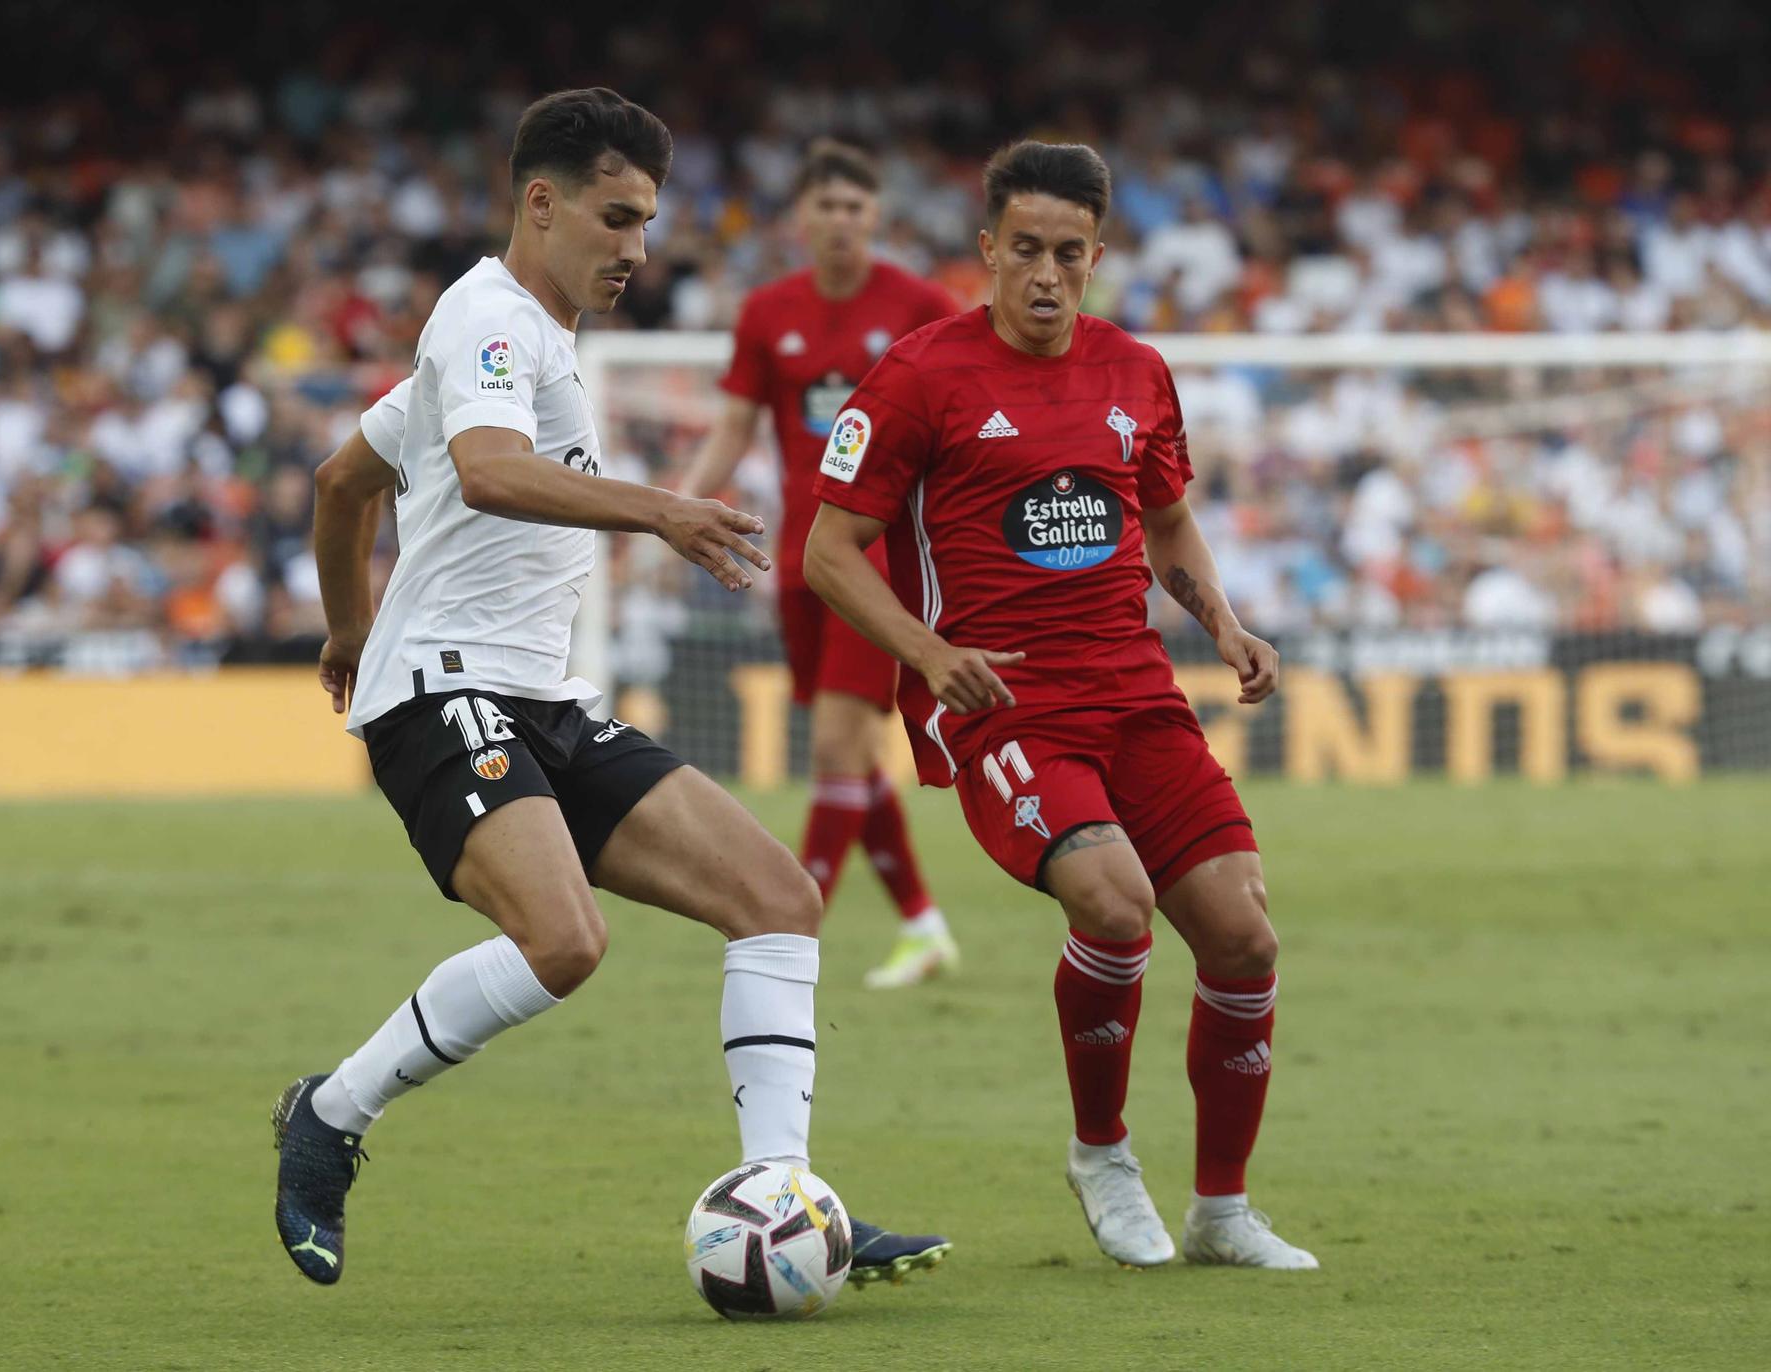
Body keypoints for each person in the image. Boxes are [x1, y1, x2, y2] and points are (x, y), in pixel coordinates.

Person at [272, 87, 947, 1291]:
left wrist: (342, 627)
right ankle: (328, 1111)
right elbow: (486, 472)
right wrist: (662, 507)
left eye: (646, 224)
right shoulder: (485, 316)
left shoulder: (525, 339)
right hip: (443, 695)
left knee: (779, 898)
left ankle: (783, 1200)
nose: (637, 249)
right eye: (617, 217)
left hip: (538, 695)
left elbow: (340, 482)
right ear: (542, 202)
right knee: (562, 940)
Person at [803, 140, 1318, 1270]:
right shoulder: (916, 377)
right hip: (1000, 702)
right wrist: (930, 657)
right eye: (1023, 250)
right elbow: (829, 552)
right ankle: (1100, 1152)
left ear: (1097, 254)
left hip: (1134, 691)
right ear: (985, 250)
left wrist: (1221, 623)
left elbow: (1166, 515)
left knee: (1241, 935)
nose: (1044, 273)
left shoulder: (1134, 369)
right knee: (1113, 901)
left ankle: (1221, 1211)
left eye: (1068, 254)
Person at [682, 139, 961, 989]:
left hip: (877, 560)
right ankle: (923, 924)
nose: (841, 220)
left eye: (855, 206)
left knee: (839, 748)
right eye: (826, 206)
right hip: (798, 559)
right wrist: (680, 506)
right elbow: (734, 424)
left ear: (875, 216)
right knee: (847, 757)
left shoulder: (917, 305)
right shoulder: (769, 312)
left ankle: (786, 934)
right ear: (801, 218)